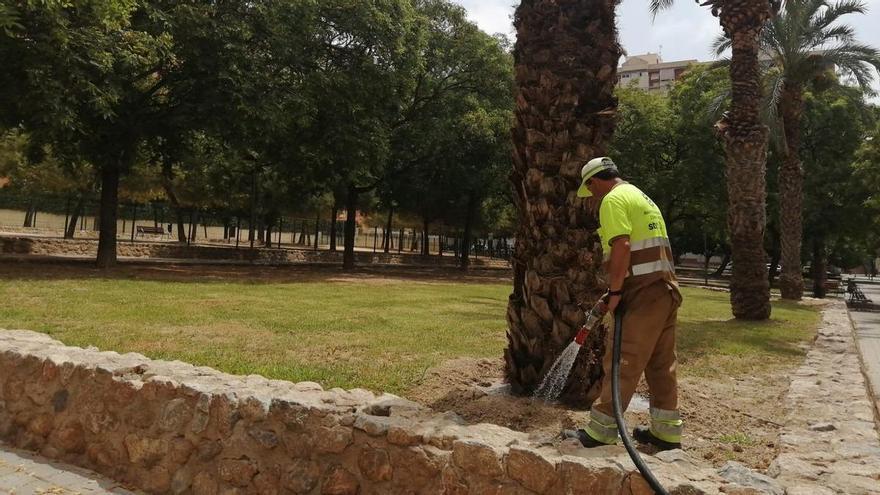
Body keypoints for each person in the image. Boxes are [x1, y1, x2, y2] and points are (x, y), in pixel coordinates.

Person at [562, 156, 683, 451]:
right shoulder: (640, 196)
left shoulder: (613, 200)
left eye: (589, 189)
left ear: (594, 181)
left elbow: (622, 246)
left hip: (642, 293)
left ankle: (601, 431)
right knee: (661, 363)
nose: (591, 196)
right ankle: (666, 434)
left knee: (621, 359)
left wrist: (615, 292)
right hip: (665, 289)